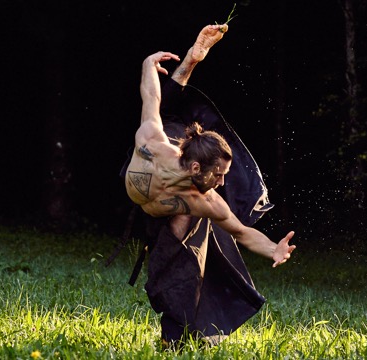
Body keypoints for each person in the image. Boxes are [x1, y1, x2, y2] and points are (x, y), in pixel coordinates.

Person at [123, 23, 296, 347]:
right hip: (164, 163)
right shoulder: (152, 144)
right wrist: (149, 63)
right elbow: (152, 97)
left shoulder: (205, 201)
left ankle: (188, 332)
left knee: (190, 250)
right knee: (170, 111)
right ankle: (190, 61)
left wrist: (274, 248)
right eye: (218, 176)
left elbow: (241, 232)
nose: (222, 182)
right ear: (198, 167)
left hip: (176, 196)